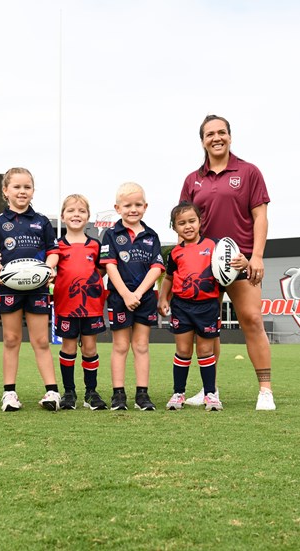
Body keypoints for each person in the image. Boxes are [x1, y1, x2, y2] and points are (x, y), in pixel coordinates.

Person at [179, 114, 276, 411]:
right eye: (210, 134)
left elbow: (260, 217)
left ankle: (265, 391)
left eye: (221, 132)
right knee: (207, 328)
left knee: (252, 320)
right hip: (204, 266)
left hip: (239, 261)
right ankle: (210, 390)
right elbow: (184, 223)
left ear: (230, 137)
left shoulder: (248, 172)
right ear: (202, 141)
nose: (216, 138)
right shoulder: (192, 180)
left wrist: (256, 256)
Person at [158, 202, 247, 411]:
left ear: (200, 222)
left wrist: (243, 262)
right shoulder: (174, 253)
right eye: (181, 223)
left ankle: (210, 394)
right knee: (183, 350)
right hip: (181, 306)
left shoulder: (215, 246)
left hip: (207, 306)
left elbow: (234, 262)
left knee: (206, 350)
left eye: (192, 221)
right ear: (174, 227)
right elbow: (169, 278)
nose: (187, 226)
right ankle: (178, 394)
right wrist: (163, 298)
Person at [0, 168, 61, 411]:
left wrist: (49, 268)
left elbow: (53, 251)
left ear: (33, 191)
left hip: (38, 288)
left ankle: (52, 392)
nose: (22, 191)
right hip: (8, 287)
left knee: (41, 340)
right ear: (5, 191)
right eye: (16, 187)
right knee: (11, 339)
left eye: (27, 187)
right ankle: (9, 393)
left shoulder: (42, 221)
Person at [100, 182, 165, 411]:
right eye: (127, 205)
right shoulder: (110, 234)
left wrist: (137, 293)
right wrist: (126, 294)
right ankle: (118, 395)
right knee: (120, 346)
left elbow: (156, 268)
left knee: (142, 345)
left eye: (138, 204)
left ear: (145, 206)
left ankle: (142, 395)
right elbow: (110, 266)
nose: (133, 209)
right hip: (120, 298)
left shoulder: (151, 236)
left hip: (144, 298)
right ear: (117, 208)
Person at [50, 194, 108, 410]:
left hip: (91, 306)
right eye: (71, 210)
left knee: (90, 348)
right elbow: (51, 271)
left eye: (81, 211)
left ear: (88, 216)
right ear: (62, 216)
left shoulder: (95, 245)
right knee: (68, 347)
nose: (76, 214)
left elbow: (101, 270)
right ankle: (69, 392)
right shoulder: (57, 246)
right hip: (66, 306)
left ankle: (91, 392)